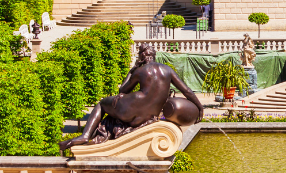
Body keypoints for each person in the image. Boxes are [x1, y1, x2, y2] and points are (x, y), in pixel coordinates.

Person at [59, 44, 203, 151]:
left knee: (102, 104)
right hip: (149, 114)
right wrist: (199, 106)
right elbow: (188, 91)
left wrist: (132, 70)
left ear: (142, 56)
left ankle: (85, 135)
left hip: (131, 108)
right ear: (154, 56)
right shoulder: (167, 70)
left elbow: (124, 89)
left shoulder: (140, 71)